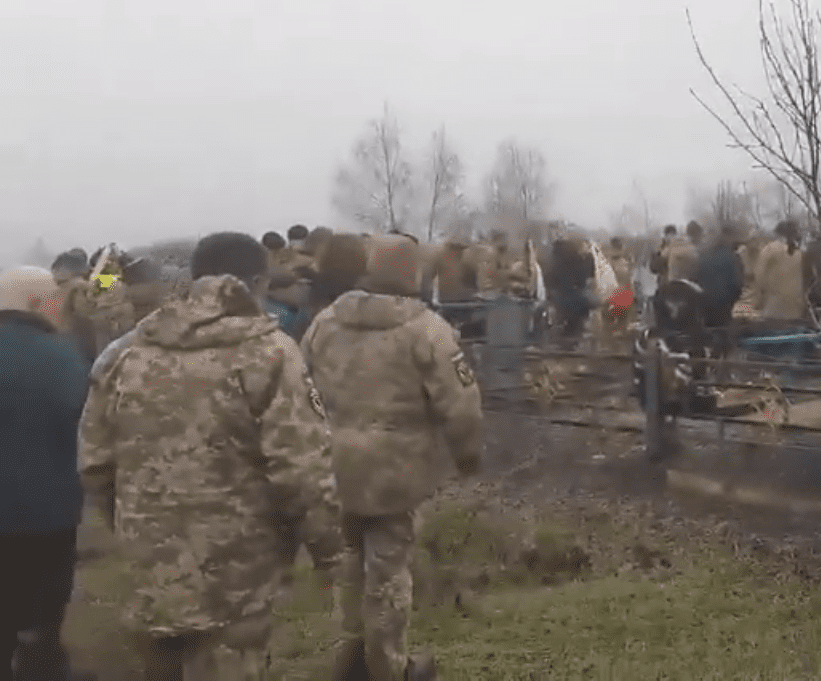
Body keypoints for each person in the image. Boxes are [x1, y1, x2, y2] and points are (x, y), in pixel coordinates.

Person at [79, 232, 344, 679]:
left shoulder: (129, 353)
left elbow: (95, 461)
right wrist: (331, 555)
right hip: (237, 578)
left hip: (155, 569)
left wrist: (135, 525)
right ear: (257, 283)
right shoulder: (268, 353)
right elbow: (300, 469)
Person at [301, 235, 483, 681]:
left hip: (334, 466)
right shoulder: (427, 329)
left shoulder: (325, 323)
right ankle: (389, 667)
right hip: (395, 471)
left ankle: (350, 654)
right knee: (389, 572)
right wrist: (468, 457)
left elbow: (299, 388)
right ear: (411, 273)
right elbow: (460, 405)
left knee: (348, 561)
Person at [0, 267, 95, 681]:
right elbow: (86, 427)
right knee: (42, 608)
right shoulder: (60, 356)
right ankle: (41, 667)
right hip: (48, 511)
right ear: (36, 303)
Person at [754, 221, 807, 323]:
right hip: (795, 308)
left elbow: (759, 276)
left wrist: (759, 298)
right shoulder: (800, 252)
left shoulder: (770, 250)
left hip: (774, 308)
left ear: (778, 233)